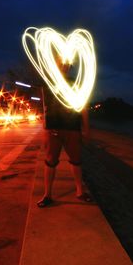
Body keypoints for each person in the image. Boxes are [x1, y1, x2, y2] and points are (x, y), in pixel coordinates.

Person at [37, 60, 92, 208]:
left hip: (72, 127)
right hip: (53, 128)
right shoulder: (47, 83)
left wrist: (86, 129)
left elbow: (83, 106)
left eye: (67, 64)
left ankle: (80, 191)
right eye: (61, 63)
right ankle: (47, 195)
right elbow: (45, 107)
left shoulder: (75, 83)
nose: (64, 67)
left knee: (76, 160)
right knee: (50, 161)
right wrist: (45, 128)